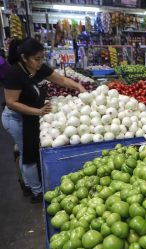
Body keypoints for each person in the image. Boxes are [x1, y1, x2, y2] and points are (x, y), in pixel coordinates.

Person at [1, 38, 86, 203]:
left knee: (27, 151)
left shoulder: (39, 68)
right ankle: (36, 191)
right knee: (29, 154)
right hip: (17, 119)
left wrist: (79, 87)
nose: (41, 62)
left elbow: (60, 80)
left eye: (42, 58)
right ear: (25, 58)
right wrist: (38, 111)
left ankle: (27, 182)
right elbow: (12, 103)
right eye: (37, 59)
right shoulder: (15, 74)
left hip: (32, 115)